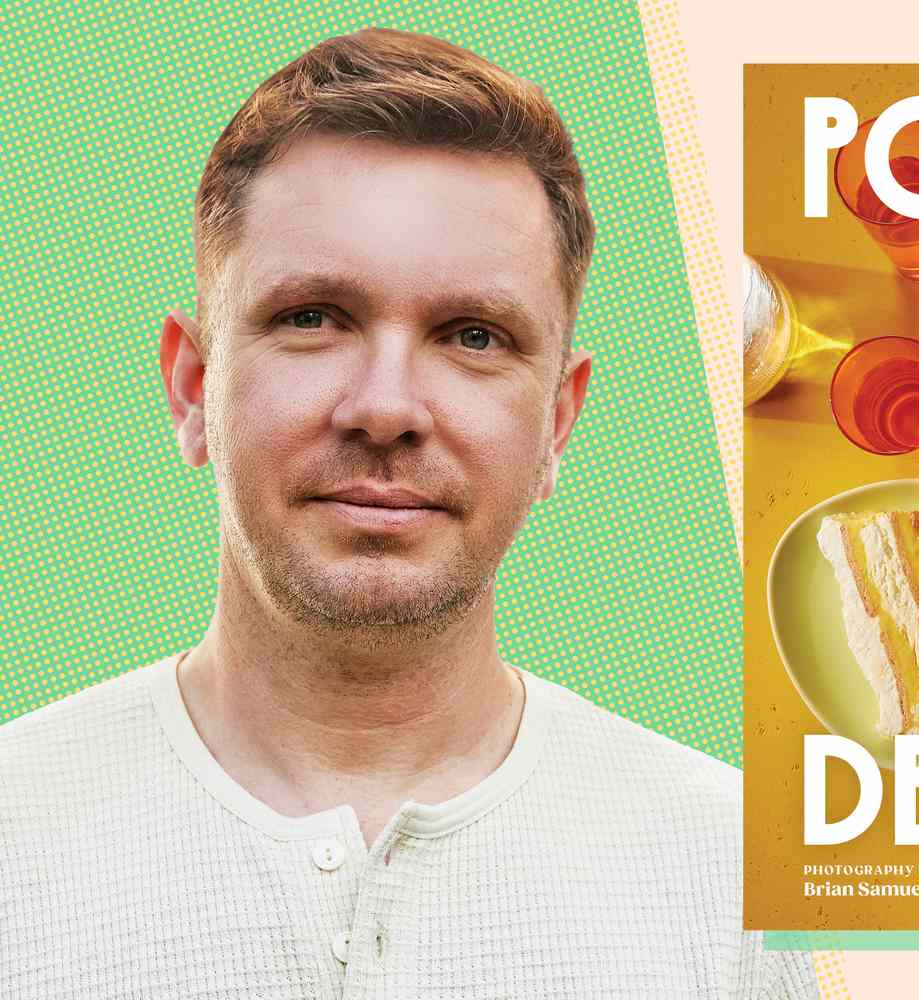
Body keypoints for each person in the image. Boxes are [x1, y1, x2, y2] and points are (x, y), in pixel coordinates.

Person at [0, 28, 813, 998]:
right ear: (192, 386)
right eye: (313, 317)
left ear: (558, 420)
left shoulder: (749, 888)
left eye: (473, 335)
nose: (386, 408)